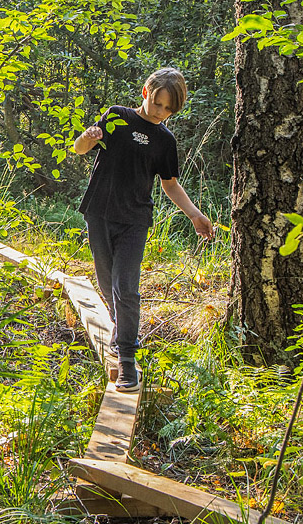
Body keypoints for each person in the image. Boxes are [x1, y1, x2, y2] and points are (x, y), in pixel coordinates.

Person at [72, 67, 214, 393]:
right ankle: (118, 325)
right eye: (158, 103)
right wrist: (87, 137)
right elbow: (79, 149)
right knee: (107, 283)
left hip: (135, 220)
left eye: (169, 109)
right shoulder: (117, 117)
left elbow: (170, 184)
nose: (160, 112)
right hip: (99, 212)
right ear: (146, 92)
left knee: (126, 287)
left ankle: (126, 357)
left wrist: (194, 215)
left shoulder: (165, 140)